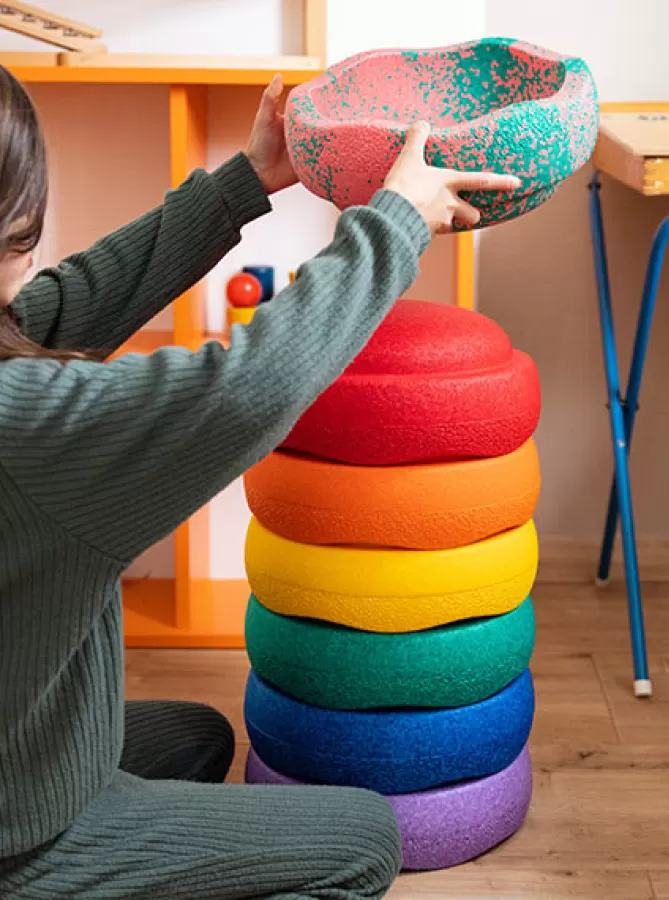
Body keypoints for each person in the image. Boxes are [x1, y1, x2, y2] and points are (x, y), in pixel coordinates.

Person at [0, 67, 519, 900]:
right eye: (23, 231)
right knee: (363, 837)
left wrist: (246, 181)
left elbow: (56, 309)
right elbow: (246, 392)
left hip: (20, 760)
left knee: (199, 738)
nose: (34, 249)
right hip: (20, 843)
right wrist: (390, 228)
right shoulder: (16, 424)